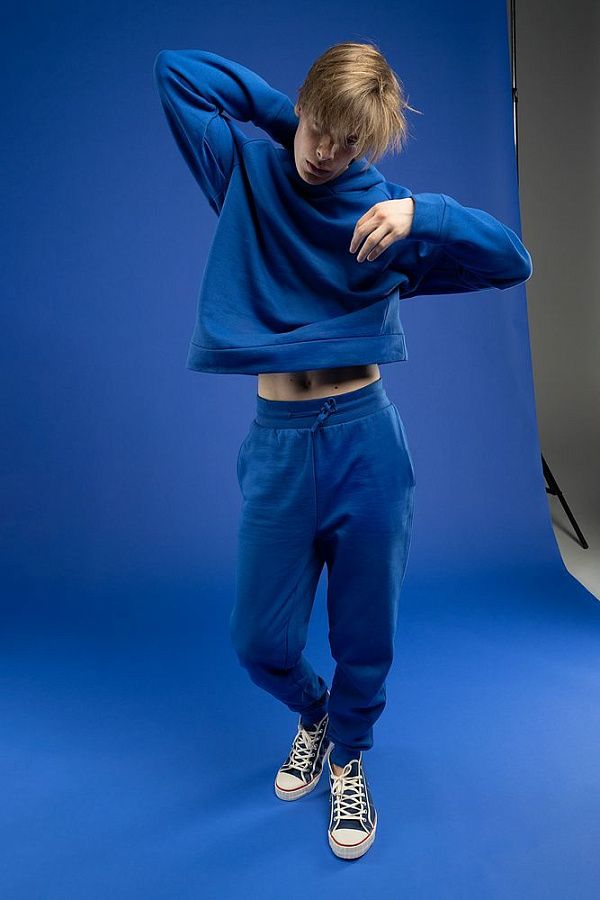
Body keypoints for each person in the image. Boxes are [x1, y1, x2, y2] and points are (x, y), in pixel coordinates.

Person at [153, 41, 532, 860]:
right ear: (303, 107)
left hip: (368, 440)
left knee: (367, 634)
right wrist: (296, 117)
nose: (326, 153)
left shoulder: (384, 214)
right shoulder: (247, 174)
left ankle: (350, 757)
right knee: (260, 642)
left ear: (371, 145)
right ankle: (314, 713)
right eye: (320, 128)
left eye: (349, 141)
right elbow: (176, 72)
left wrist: (422, 213)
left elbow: (512, 261)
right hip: (279, 444)